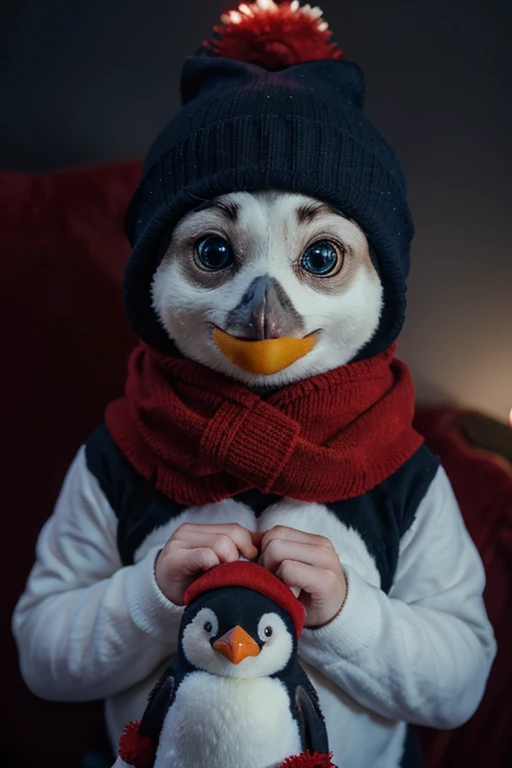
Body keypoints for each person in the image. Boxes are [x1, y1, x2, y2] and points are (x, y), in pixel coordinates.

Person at [12, 2, 496, 766]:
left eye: (322, 258)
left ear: (384, 284)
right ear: (150, 279)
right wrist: (149, 596)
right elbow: (41, 656)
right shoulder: (119, 453)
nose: (268, 309)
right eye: (213, 250)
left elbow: (461, 679)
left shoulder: (404, 473)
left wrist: (346, 613)